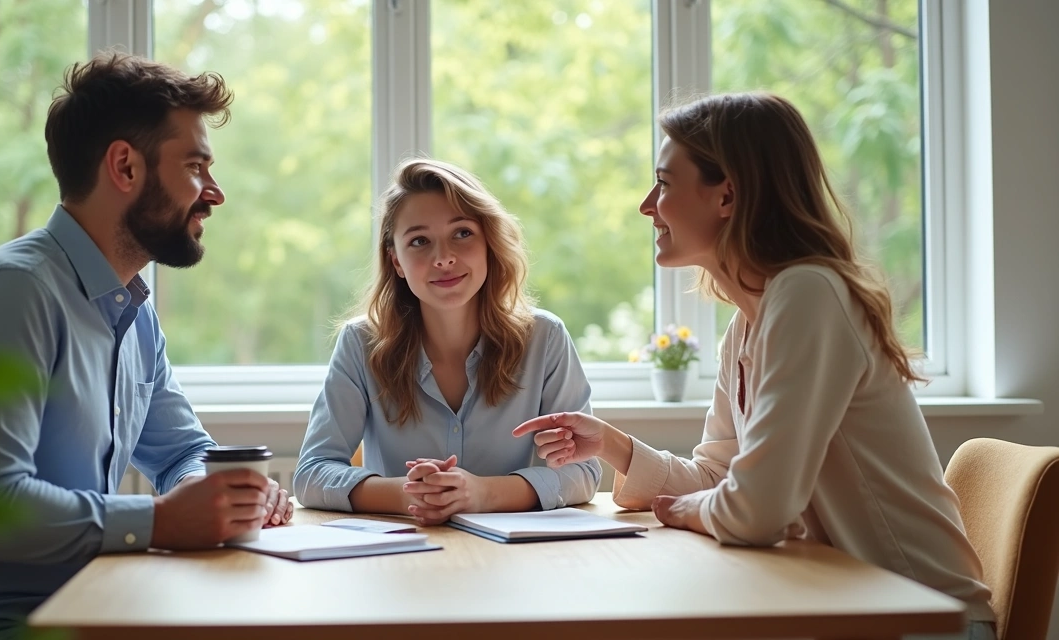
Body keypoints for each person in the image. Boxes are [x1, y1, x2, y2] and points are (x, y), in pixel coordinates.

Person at [513, 93, 995, 639]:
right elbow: (720, 478)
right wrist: (611, 445)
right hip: (845, 609)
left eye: (665, 183)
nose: (648, 204)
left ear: (728, 195)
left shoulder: (808, 294)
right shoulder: (748, 323)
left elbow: (757, 508)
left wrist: (693, 509)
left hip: (920, 622)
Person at [0, 53, 293, 640]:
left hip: (80, 605)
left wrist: (219, 495)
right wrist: (161, 520)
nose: (214, 193)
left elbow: (179, 454)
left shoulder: (133, 311)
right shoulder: (15, 293)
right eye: (195, 166)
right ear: (124, 166)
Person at [293, 158, 600, 525]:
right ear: (397, 262)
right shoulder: (360, 344)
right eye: (419, 241)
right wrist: (410, 494)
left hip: (511, 563)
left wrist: (482, 494)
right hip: (398, 560)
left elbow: (584, 473)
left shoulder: (545, 339)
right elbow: (311, 473)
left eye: (462, 233)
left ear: (489, 242)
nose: (444, 258)